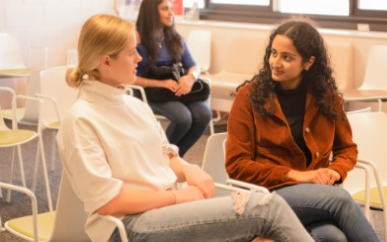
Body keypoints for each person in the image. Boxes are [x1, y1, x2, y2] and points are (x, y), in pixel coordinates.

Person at [56, 14, 314, 242]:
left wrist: (188, 168)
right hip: (127, 227)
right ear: (106, 62)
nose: (139, 58)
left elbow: (165, 153)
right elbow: (109, 202)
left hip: (164, 212)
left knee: (268, 234)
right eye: (131, 52)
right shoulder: (81, 121)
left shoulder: (133, 105)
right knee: (266, 207)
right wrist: (180, 198)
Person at [225, 18, 381, 242]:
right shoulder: (248, 97)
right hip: (264, 195)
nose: (276, 62)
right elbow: (236, 166)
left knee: (332, 238)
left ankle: (268, 235)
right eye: (274, 53)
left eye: (287, 57)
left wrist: (334, 171)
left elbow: (346, 148)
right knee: (341, 199)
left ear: (308, 63)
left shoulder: (327, 98)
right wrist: (296, 175)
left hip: (313, 197)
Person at [134, 0, 211, 157]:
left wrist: (190, 78)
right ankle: (158, 157)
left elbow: (194, 66)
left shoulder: (175, 38)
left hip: (175, 90)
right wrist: (161, 84)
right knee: (184, 118)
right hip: (149, 91)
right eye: (164, 9)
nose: (171, 13)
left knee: (204, 114)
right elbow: (130, 78)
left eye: (171, 8)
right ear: (151, 13)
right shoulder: (136, 40)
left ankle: (173, 158)